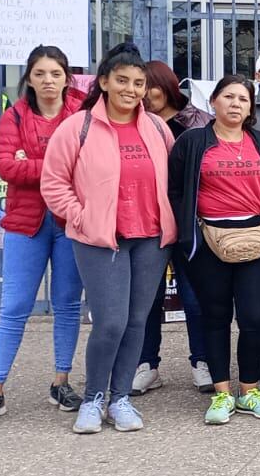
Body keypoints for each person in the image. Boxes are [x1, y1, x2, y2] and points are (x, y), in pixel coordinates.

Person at [40, 43, 176, 435]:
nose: (131, 90)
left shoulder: (155, 127)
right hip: (100, 239)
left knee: (136, 321)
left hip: (151, 237)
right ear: (103, 82)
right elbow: (54, 183)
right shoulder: (77, 127)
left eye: (138, 83)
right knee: (110, 322)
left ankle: (121, 399)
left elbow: (171, 179)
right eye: (122, 81)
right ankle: (93, 398)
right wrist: (81, 216)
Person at [0, 46, 87, 426]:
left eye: (55, 73)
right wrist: (59, 165)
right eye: (40, 73)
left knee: (67, 305)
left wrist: (31, 162)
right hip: (25, 223)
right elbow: (6, 167)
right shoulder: (14, 115)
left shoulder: (83, 111)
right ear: (29, 78)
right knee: (14, 307)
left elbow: (90, 162)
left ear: (67, 76)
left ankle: (61, 382)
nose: (48, 80)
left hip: (69, 222)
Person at [168, 75, 260, 425]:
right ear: (214, 101)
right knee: (214, 318)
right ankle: (222, 394)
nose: (236, 104)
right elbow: (175, 190)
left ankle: (249, 391)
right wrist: (191, 236)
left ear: (251, 107)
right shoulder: (192, 141)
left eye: (243, 99)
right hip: (208, 243)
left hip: (255, 241)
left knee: (253, 320)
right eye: (228, 97)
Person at [131, 59, 210, 396]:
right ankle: (146, 365)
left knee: (194, 296)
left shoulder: (196, 123)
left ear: (167, 85)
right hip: (147, 220)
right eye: (138, 86)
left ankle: (202, 361)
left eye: (151, 85)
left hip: (187, 220)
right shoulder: (132, 124)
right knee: (147, 298)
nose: (146, 94)